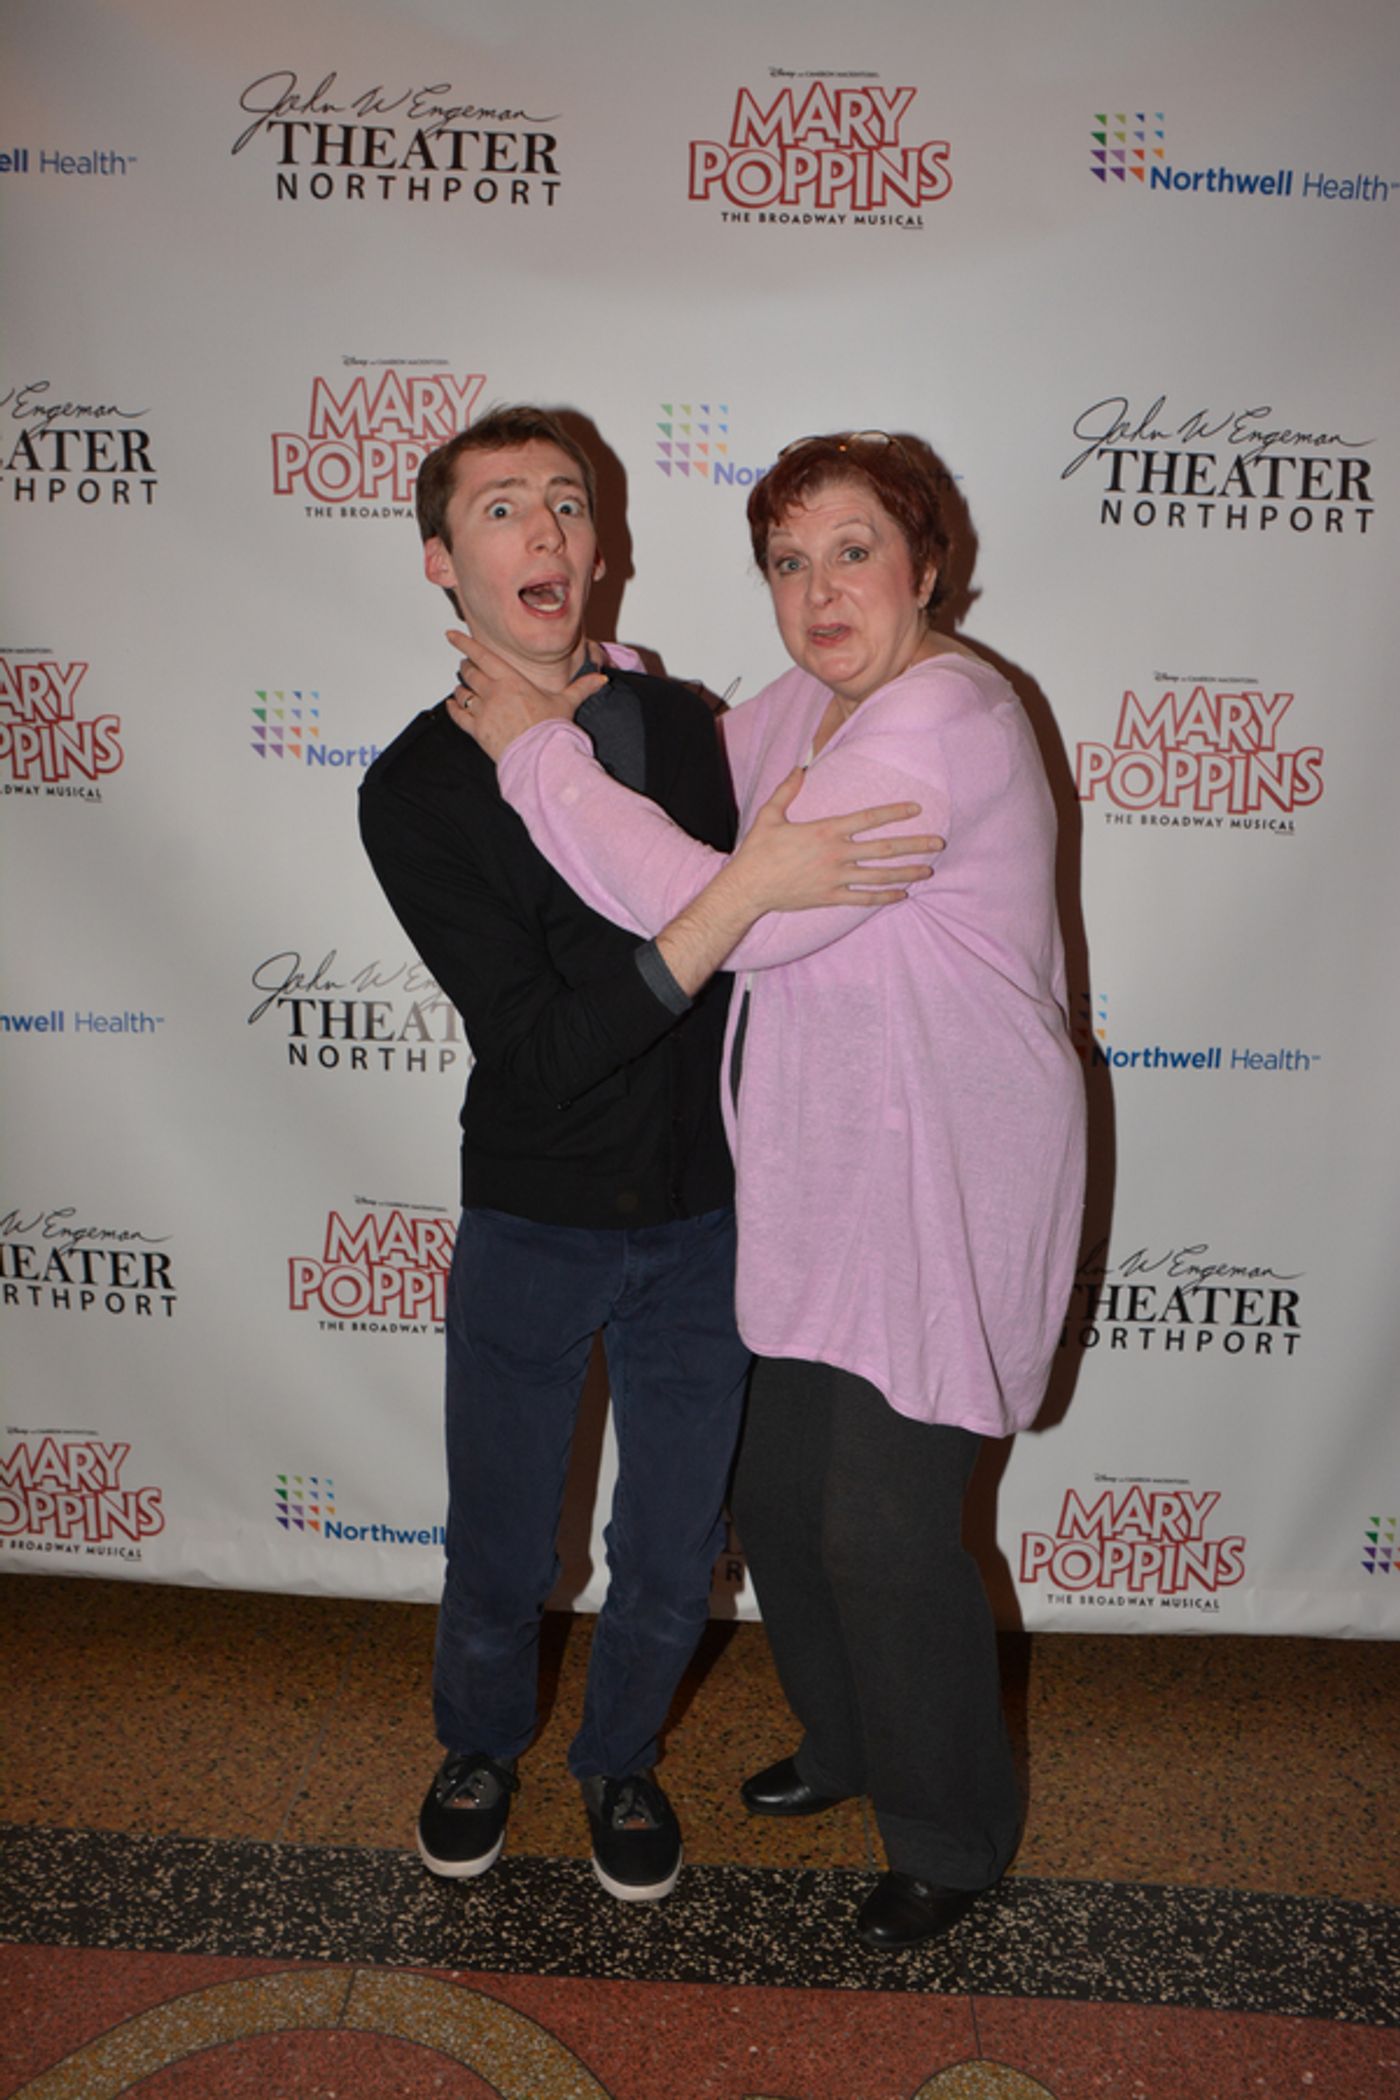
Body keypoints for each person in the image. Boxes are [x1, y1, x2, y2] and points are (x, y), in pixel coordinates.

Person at [449, 429, 1087, 1949]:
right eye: (789, 563)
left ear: (927, 564)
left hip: (944, 1180)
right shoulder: (816, 700)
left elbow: (721, 911)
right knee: (778, 1494)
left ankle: (952, 1829)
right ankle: (850, 1740)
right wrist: (602, 684)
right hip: (814, 1173)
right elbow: (705, 780)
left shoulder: (940, 721)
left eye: (853, 552)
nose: (820, 591)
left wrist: (531, 748)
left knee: (878, 1520)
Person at [358, 408, 928, 1905]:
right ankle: (478, 1746)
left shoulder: (685, 730)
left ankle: (618, 1766)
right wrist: (735, 903)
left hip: (704, 1222)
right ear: (443, 562)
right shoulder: (414, 789)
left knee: (673, 1551)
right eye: (500, 509)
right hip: (534, 1219)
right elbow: (543, 1049)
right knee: (499, 1546)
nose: (543, 532)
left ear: (602, 550)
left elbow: (800, 928)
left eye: (567, 504)